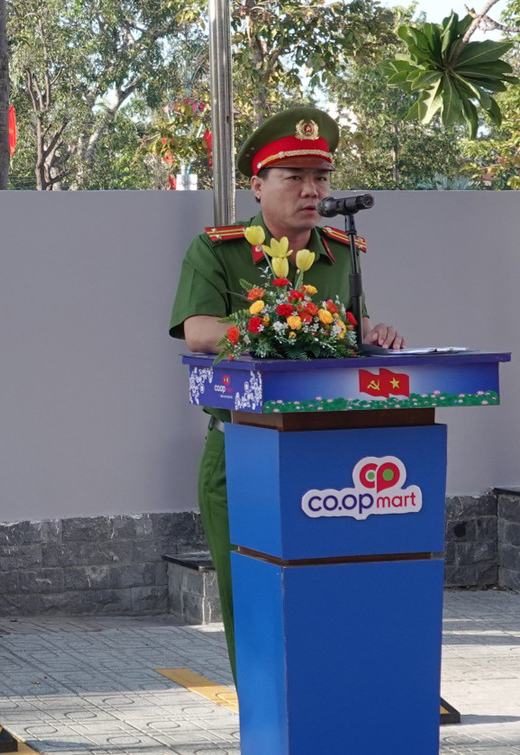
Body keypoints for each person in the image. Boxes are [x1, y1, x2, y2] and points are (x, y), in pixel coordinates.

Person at [168, 106, 405, 684]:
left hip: (329, 454)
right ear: (257, 184)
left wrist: (374, 333)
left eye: (320, 177)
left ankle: (327, 705)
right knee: (251, 597)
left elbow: (354, 329)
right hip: (244, 449)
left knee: (326, 592)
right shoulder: (218, 250)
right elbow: (199, 332)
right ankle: (265, 726)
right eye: (293, 177)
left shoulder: (341, 249)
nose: (311, 190)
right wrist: (284, 328)